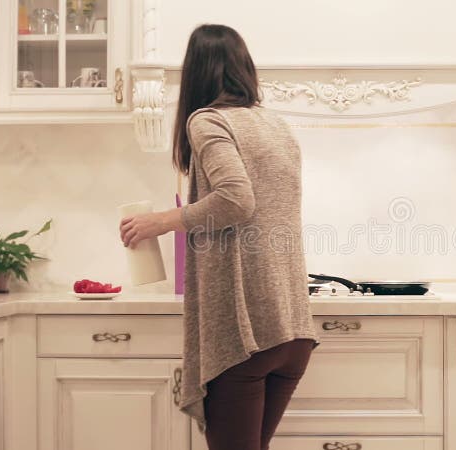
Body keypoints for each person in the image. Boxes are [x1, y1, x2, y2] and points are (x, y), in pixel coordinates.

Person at [119, 24, 318, 450]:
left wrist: (162, 221)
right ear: (244, 68)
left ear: (195, 74)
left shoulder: (207, 120)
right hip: (292, 330)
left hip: (246, 335)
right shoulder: (275, 124)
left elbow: (235, 199)